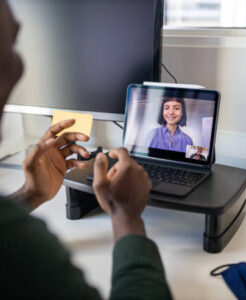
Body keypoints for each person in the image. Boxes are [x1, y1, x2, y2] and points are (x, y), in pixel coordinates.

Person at [0, 1, 172, 299]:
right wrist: (127, 217)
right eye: (13, 43)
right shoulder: (16, 244)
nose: (20, 66)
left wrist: (29, 196)